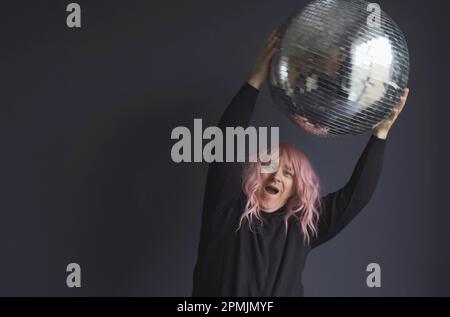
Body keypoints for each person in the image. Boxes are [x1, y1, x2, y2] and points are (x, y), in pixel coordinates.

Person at [192, 30, 409, 297]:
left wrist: (380, 135)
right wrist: (255, 80)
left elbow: (356, 197)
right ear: (253, 175)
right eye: (269, 167)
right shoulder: (227, 211)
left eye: (288, 173)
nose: (277, 177)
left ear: (296, 187)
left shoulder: (300, 229)